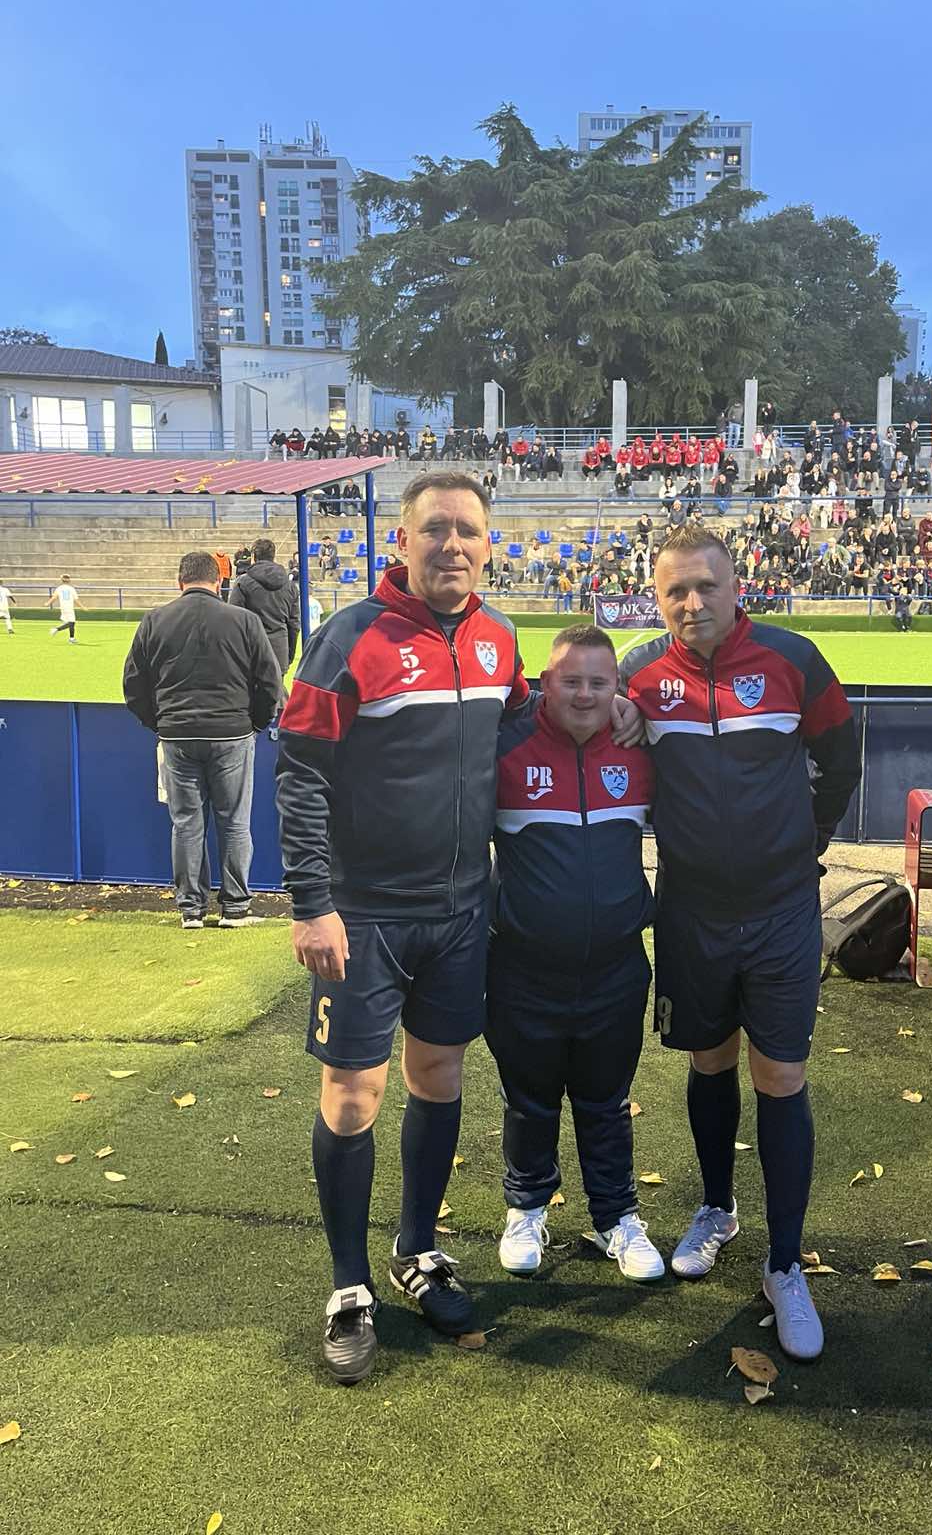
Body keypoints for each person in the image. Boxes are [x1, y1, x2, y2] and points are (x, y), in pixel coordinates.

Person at [275, 470, 641, 1385]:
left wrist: (617, 706)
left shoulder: (498, 638)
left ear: (488, 544)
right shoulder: (349, 637)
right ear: (401, 540)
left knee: (437, 1077)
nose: (451, 545)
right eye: (434, 528)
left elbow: (527, 717)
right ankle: (349, 1285)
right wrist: (312, 902)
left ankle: (417, 1249)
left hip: (461, 908)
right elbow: (300, 772)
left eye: (467, 530)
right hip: (365, 912)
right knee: (352, 1096)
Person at [621, 525, 861, 1362]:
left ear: (736, 586)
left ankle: (784, 1264)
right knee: (709, 1059)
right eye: (675, 591)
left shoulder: (795, 660)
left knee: (781, 1074)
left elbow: (842, 759)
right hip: (690, 911)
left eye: (706, 586)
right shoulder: (639, 675)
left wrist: (809, 841)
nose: (692, 603)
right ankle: (717, 1210)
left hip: (782, 908)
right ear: (658, 599)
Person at [487, 625, 663, 1282]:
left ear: (617, 687)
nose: (585, 694)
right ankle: (526, 1208)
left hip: (616, 968)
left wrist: (638, 708)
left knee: (606, 1101)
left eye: (599, 682)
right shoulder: (505, 746)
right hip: (522, 968)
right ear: (545, 684)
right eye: (571, 681)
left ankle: (617, 1217)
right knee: (528, 1100)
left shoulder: (641, 748)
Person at [122, 552, 283, 930]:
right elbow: (269, 681)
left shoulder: (155, 620)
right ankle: (235, 908)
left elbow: (133, 684)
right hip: (232, 733)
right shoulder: (244, 620)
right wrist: (256, 723)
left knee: (186, 824)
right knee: (234, 822)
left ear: (180, 581)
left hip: (178, 734)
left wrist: (160, 723)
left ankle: (191, 910)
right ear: (219, 581)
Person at [228, 538, 300, 674]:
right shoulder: (290, 586)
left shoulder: (243, 583)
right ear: (273, 556)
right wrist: (289, 655)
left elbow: (234, 621)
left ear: (253, 557)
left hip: (250, 653)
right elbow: (294, 625)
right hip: (278, 651)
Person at [48, 574, 81, 642]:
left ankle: (71, 638)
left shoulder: (59, 588)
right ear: (69, 580)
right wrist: (82, 607)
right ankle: (56, 629)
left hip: (63, 607)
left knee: (70, 623)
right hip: (69, 607)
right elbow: (76, 600)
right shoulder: (71, 589)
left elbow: (54, 597)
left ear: (61, 580)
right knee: (72, 622)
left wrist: (48, 603)